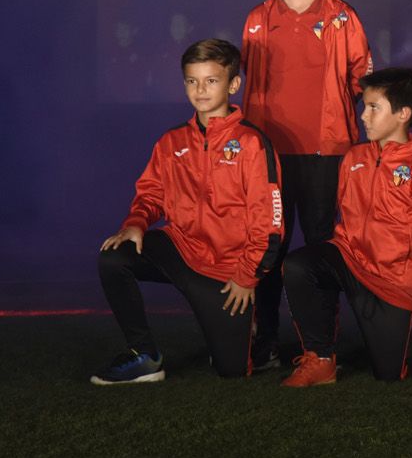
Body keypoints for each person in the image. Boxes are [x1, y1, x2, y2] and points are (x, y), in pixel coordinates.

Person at [92, 39, 282, 384]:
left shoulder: (252, 143)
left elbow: (269, 221)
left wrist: (245, 276)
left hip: (226, 272)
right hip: (180, 249)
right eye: (192, 81)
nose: (201, 90)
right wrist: (136, 222)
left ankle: (246, 332)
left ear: (233, 85)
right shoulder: (171, 141)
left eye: (211, 80)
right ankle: (144, 356)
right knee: (114, 256)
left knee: (232, 370)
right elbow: (151, 193)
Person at [240, 0, 372, 370]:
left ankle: (319, 347)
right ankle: (266, 342)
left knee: (319, 248)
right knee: (269, 248)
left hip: (324, 152)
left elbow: (362, 79)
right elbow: (248, 85)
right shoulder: (259, 19)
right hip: (270, 155)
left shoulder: (341, 17)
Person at [281, 67, 412, 385]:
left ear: (403, 114)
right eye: (364, 106)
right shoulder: (353, 158)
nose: (363, 116)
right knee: (299, 265)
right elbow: (343, 211)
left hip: (391, 281)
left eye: (374, 107)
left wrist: (408, 261)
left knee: (388, 374)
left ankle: (385, 330)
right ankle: (319, 359)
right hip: (349, 258)